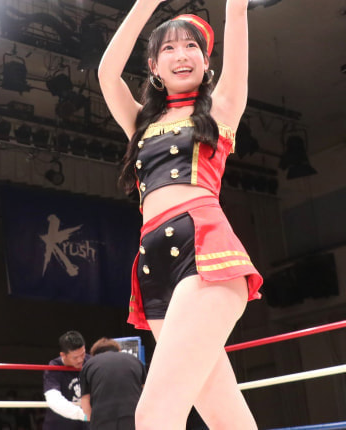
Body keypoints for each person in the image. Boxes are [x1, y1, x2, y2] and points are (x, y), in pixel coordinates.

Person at [98, 0, 262, 428]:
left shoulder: (221, 108)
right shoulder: (139, 122)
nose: (181, 55)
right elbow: (106, 74)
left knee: (153, 415)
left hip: (204, 252)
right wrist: (145, 4)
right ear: (154, 67)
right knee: (226, 419)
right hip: (153, 264)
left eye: (191, 46)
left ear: (206, 63)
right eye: (168, 48)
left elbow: (237, 15)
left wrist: (237, 7)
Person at [79, 338, 146, 430]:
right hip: (132, 418)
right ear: (119, 350)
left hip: (102, 420)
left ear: (94, 355)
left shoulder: (89, 364)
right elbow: (146, 394)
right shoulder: (136, 361)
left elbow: (85, 401)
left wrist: (91, 422)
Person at [43, 331, 90, 430]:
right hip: (60, 425)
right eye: (75, 357)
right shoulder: (54, 367)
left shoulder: (90, 362)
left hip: (86, 425)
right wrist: (85, 415)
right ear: (63, 355)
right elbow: (54, 399)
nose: (80, 360)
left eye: (82, 354)